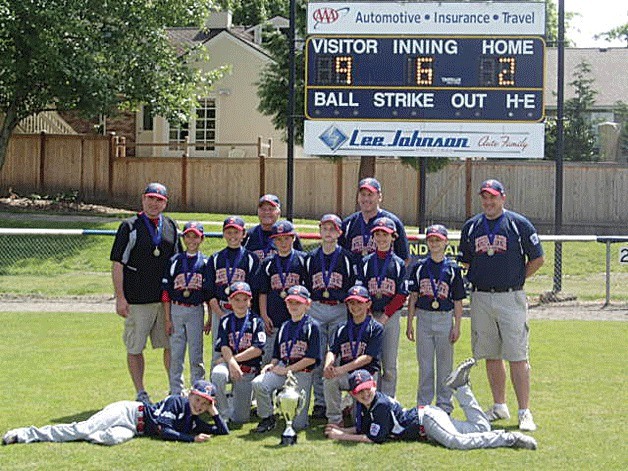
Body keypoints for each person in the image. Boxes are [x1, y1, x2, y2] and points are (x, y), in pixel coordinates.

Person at [458, 179, 544, 431]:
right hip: (481, 297)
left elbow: (538, 258)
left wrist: (517, 278)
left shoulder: (518, 224)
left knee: (517, 355)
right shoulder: (472, 227)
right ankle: (499, 406)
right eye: (484, 197)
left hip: (511, 297)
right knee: (490, 354)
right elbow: (465, 262)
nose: (488, 202)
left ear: (503, 198)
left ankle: (524, 411)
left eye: (493, 197)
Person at [324, 360, 537, 450]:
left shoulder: (378, 404)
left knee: (457, 442)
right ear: (353, 394)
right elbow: (365, 428)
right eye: (359, 392)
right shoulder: (365, 406)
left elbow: (372, 438)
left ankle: (510, 439)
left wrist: (342, 437)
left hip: (427, 421)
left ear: (373, 386)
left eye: (367, 388)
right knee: (481, 429)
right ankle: (462, 388)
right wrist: (341, 429)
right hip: (428, 419)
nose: (365, 394)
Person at [110, 182, 182, 404]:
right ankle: (141, 392)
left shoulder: (170, 225)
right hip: (137, 300)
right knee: (135, 346)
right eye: (150, 198)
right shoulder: (129, 226)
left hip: (164, 301)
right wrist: (120, 298)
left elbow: (177, 263)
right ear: (142, 200)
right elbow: (117, 264)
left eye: (159, 200)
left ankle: (174, 390)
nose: (154, 203)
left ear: (165, 203)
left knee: (171, 346)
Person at [2, 380, 229, 446]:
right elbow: (163, 430)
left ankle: (86, 434)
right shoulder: (176, 402)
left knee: (113, 440)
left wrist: (214, 411)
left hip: (134, 430)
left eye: (204, 403)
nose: (199, 405)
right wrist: (191, 439)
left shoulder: (195, 419)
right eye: (198, 399)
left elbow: (223, 432)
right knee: (83, 428)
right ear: (190, 395)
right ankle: (26, 434)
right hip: (128, 413)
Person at [406, 224, 466, 414]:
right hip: (423, 318)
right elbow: (413, 297)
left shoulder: (453, 269)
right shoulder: (419, 267)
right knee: (425, 365)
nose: (434, 243)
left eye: (438, 240)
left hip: (444, 318)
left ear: (446, 242)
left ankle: (444, 404)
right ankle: (423, 404)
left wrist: (457, 326)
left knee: (444, 365)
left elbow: (458, 300)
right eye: (431, 240)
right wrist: (409, 323)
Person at [305, 214, 357, 420]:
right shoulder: (310, 257)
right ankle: (320, 402)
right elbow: (306, 286)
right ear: (319, 231)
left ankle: (341, 402)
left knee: (340, 355)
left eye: (332, 229)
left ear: (339, 233)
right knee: (318, 356)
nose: (328, 233)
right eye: (324, 228)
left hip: (339, 308)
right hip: (317, 307)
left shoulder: (346, 257)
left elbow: (353, 285)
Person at [252, 285, 321, 433]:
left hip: (302, 372)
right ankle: (268, 417)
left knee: (298, 424)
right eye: (291, 302)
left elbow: (311, 359)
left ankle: (291, 419)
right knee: (259, 383)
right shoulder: (284, 326)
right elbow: (277, 355)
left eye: (298, 302)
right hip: (283, 367)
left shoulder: (312, 327)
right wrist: (270, 365)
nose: (294, 306)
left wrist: (285, 370)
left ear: (307, 305)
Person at [358, 217, 408, 398]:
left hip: (390, 316)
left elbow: (402, 294)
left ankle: (388, 401)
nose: (381, 238)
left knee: (389, 364)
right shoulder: (366, 262)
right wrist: (369, 313)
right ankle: (370, 399)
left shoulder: (398, 263)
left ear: (393, 237)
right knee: (370, 361)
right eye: (377, 234)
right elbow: (361, 290)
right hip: (369, 316)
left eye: (385, 234)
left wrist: (385, 316)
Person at [162, 221, 211, 396]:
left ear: (202, 239)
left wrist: (210, 318)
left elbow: (208, 293)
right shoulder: (175, 261)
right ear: (183, 237)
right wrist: (167, 319)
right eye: (188, 236)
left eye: (195, 236)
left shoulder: (206, 262)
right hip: (176, 309)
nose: (191, 240)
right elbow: (166, 293)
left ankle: (198, 389)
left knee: (196, 353)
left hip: (196, 310)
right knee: (176, 353)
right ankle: (176, 390)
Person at [323, 285, 383, 426]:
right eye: (351, 303)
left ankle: (350, 406)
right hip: (347, 375)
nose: (355, 307)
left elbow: (368, 357)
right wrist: (328, 366)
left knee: (359, 421)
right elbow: (332, 350)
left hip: (367, 375)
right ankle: (335, 420)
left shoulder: (375, 328)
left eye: (359, 302)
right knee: (329, 381)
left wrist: (340, 370)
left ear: (368, 304)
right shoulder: (342, 327)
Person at [254, 220, 308, 366]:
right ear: (273, 241)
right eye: (278, 239)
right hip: (273, 317)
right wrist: (264, 316)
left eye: (286, 238)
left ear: (294, 238)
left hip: (295, 318)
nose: (283, 242)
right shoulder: (268, 263)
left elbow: (308, 293)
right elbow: (263, 292)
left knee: (294, 357)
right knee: (268, 359)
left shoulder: (302, 260)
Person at [211, 282, 266, 424]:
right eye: (236, 299)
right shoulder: (225, 321)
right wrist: (232, 364)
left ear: (250, 301)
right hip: (229, 366)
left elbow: (257, 349)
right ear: (229, 301)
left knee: (240, 419)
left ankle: (232, 400)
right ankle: (222, 413)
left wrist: (233, 361)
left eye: (245, 299)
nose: (241, 303)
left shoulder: (256, 321)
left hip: (246, 371)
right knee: (217, 374)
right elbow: (224, 346)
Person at [206, 216, 259, 360]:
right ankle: (215, 382)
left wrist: (245, 312)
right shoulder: (216, 258)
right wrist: (220, 315)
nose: (232, 236)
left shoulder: (250, 258)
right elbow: (209, 292)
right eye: (228, 232)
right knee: (218, 352)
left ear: (244, 234)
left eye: (236, 232)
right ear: (223, 234)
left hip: (243, 311)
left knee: (244, 349)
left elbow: (254, 290)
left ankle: (244, 382)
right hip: (221, 309)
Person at [339, 177, 409, 263]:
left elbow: (404, 258)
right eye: (363, 194)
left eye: (370, 195)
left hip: (383, 275)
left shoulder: (393, 222)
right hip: (354, 275)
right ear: (358, 197)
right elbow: (339, 255)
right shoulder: (348, 223)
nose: (366, 199)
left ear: (379, 197)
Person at [243, 194, 303, 261]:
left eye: (271, 209)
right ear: (258, 211)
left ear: (278, 212)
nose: (267, 212)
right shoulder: (249, 235)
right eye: (263, 209)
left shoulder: (288, 234)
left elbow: (299, 260)